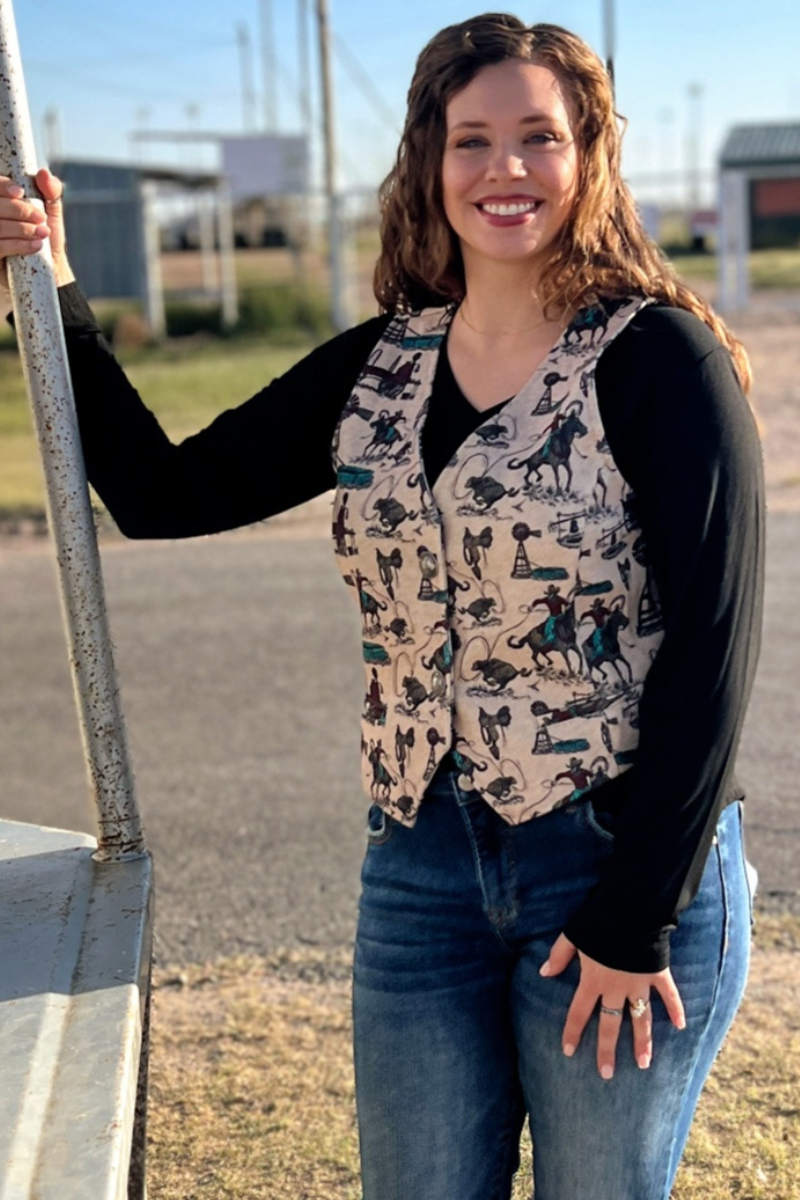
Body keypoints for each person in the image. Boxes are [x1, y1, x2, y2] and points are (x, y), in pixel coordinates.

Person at [0, 14, 764, 1200]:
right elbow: (160, 494)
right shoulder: (381, 365)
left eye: (535, 138)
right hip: (420, 866)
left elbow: (712, 659)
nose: (503, 169)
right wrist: (51, 290)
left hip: (615, 866)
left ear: (586, 155)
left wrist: (634, 918)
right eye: (471, 140)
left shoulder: (659, 359)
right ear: (429, 161)